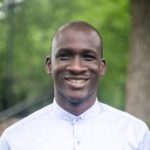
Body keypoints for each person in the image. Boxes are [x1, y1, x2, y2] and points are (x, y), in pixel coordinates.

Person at [0, 20, 150, 150]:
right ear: (49, 65)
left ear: (102, 67)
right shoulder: (15, 139)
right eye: (65, 56)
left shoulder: (136, 134)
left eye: (88, 57)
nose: (76, 67)